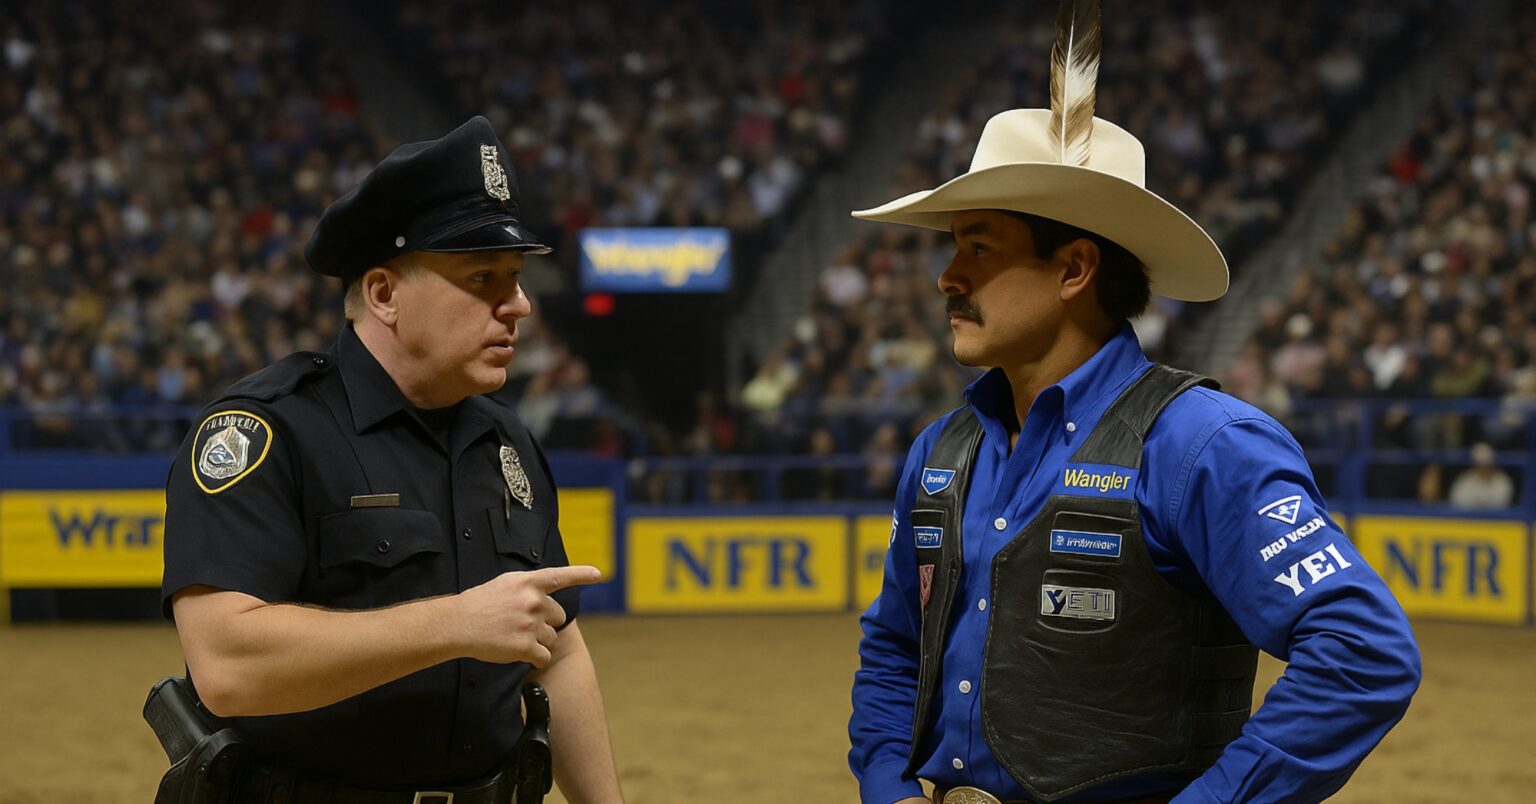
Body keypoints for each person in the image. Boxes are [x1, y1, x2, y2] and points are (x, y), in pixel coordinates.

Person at [846, 9, 1420, 802]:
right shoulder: (942, 451)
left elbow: (1364, 652)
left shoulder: (1202, 445)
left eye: (978, 247)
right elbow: (893, 651)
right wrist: (888, 786)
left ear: (1075, 268)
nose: (948, 276)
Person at [157, 116, 624, 803]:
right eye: (483, 277)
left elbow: (553, 646)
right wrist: (458, 623)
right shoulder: (269, 430)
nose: (519, 303)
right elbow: (227, 665)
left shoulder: (505, 443)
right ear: (383, 294)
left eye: (517, 277)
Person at [1447, 443, 1515, 510]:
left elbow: (1503, 503)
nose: (1485, 469)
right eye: (1481, 466)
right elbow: (1457, 501)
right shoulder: (1465, 480)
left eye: (1487, 465)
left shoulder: (1502, 481)